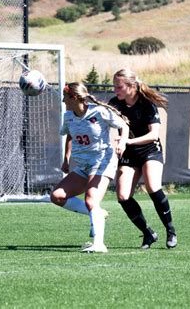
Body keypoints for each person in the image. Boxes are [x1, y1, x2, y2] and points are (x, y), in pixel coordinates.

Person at [50, 82, 129, 253]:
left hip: (102, 161)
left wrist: (122, 141)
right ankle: (97, 213)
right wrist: (66, 159)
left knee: (91, 199)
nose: (63, 101)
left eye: (65, 97)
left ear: (75, 97)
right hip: (82, 164)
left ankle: (99, 244)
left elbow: (123, 125)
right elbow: (70, 135)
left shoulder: (99, 111)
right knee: (57, 196)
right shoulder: (69, 116)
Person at [109, 68, 177, 249]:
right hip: (129, 154)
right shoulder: (115, 103)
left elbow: (153, 135)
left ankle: (170, 230)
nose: (115, 90)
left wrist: (128, 141)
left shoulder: (146, 104)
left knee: (153, 187)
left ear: (131, 86)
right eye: (114, 86)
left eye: (119, 87)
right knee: (123, 196)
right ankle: (148, 233)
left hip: (149, 151)